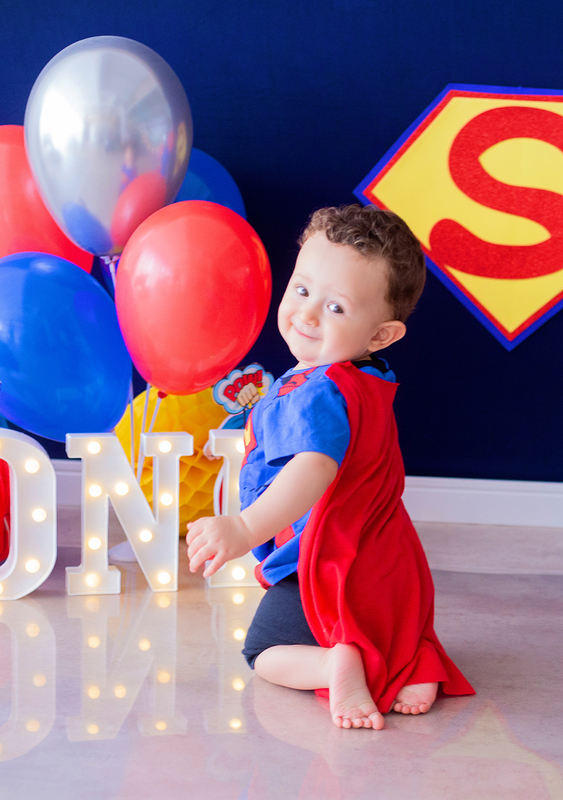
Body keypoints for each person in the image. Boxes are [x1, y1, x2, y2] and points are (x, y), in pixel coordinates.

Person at [186, 204, 473, 730]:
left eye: (336, 307)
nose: (308, 314)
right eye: (301, 290)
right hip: (389, 559)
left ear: (381, 335)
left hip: (325, 561)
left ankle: (333, 662)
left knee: (263, 652)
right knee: (397, 627)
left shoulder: (315, 392)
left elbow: (312, 467)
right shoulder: (368, 377)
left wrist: (245, 526)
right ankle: (413, 666)